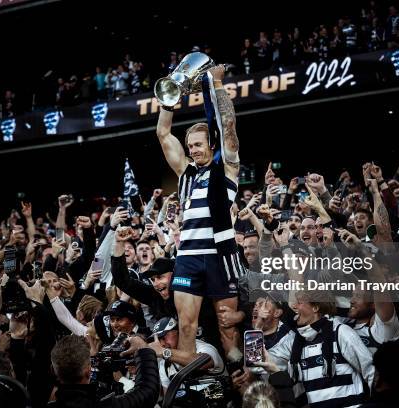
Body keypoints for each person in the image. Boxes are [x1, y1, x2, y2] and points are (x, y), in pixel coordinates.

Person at [155, 64, 242, 364]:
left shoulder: (227, 167)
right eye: (190, 145)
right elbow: (163, 133)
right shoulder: (185, 174)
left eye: (198, 145)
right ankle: (192, 378)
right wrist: (169, 97)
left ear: (212, 145)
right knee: (187, 327)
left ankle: (241, 381)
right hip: (189, 257)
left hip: (221, 254)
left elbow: (228, 129)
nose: (193, 150)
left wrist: (217, 86)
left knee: (227, 327)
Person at [50, 334, 160, 408]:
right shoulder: (105, 405)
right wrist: (143, 349)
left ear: (55, 372)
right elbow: (148, 391)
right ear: (88, 371)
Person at [146, 316, 225, 392]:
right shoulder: (164, 365)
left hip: (219, 398)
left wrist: (163, 352)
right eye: (158, 340)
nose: (162, 344)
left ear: (178, 332)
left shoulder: (202, 347)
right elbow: (169, 399)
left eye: (163, 337)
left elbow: (203, 363)